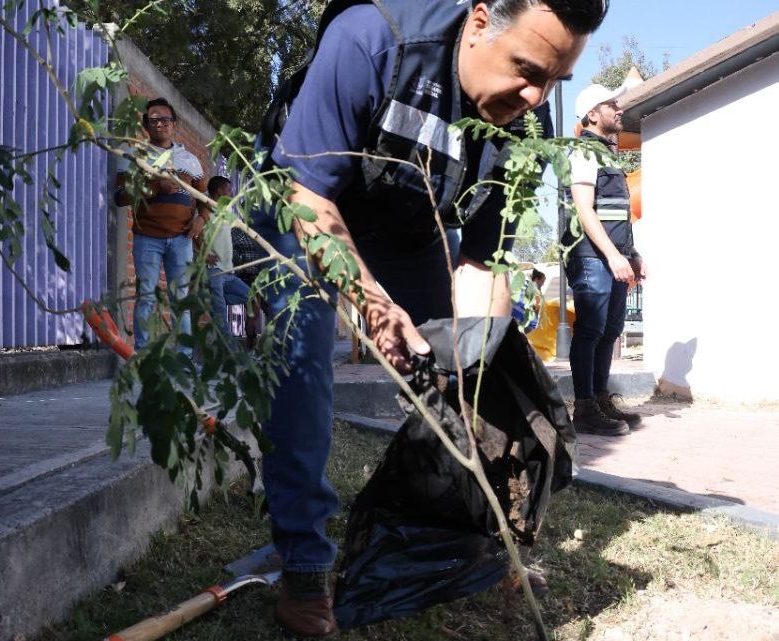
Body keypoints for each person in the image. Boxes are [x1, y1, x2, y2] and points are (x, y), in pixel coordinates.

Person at [253, 1, 609, 636]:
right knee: (303, 362)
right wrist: (375, 308)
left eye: (554, 80)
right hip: (304, 200)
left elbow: (482, 258)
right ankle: (304, 564)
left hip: (411, 222)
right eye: (526, 69)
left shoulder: (525, 120)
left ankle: (476, 541)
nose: (535, 96)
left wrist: (477, 370)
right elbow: (307, 198)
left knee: (470, 374)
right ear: (478, 23)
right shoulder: (374, 39)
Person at [561, 83, 646, 436]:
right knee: (591, 330)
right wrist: (612, 255)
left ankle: (599, 399)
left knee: (610, 330)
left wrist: (633, 254)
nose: (619, 108)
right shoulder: (584, 151)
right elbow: (584, 210)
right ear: (592, 114)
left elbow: (618, 214)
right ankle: (584, 409)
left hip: (612, 256)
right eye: (612, 103)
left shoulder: (607, 155)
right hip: (591, 256)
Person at [115, 97, 209, 355]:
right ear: (146, 125)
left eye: (165, 119)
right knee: (146, 297)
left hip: (182, 240)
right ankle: (145, 356)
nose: (160, 124)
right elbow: (120, 196)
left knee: (181, 299)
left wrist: (201, 219)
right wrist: (156, 186)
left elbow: (206, 199)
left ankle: (185, 358)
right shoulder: (134, 155)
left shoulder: (189, 160)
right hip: (147, 239)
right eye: (154, 120)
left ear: (175, 124)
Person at [203, 176, 251, 336]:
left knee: (250, 297)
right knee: (222, 313)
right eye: (229, 189)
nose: (232, 193)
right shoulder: (206, 209)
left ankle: (212, 302)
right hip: (214, 270)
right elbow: (196, 235)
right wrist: (202, 256)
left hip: (229, 272)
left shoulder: (227, 210)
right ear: (219, 191)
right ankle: (229, 351)